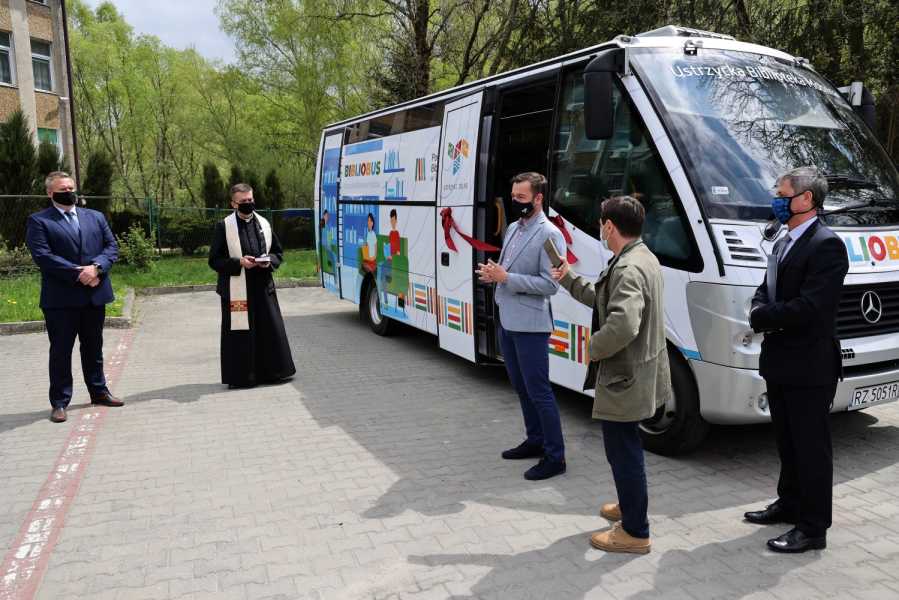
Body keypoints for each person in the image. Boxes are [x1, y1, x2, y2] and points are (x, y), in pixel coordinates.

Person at [551, 195, 671, 555]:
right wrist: (569, 279)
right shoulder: (638, 256)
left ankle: (635, 531)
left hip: (624, 379)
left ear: (609, 226)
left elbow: (622, 323)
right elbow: (604, 300)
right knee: (625, 450)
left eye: (601, 222)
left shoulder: (629, 268)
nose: (599, 228)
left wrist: (593, 347)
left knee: (624, 454)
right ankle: (628, 506)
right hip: (635, 376)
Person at [744, 166, 849, 553]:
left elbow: (812, 307)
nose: (777, 199)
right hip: (781, 360)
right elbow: (765, 288)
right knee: (787, 443)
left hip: (809, 365)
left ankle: (813, 527)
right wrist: (759, 308)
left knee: (811, 448)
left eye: (782, 193)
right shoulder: (785, 239)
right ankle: (789, 503)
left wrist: (763, 316)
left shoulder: (826, 245)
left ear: (806, 199)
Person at [477, 172, 567, 481]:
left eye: (522, 198)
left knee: (539, 391)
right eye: (513, 196)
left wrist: (507, 279)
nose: (515, 202)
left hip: (531, 324)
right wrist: (494, 275)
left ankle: (556, 457)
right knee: (521, 387)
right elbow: (507, 270)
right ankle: (535, 440)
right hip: (508, 319)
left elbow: (551, 285)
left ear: (539, 198)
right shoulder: (514, 228)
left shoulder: (550, 234)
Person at [25, 171, 123, 423]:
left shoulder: (95, 217)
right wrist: (78, 273)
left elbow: (111, 247)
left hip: (94, 294)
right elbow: (43, 256)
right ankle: (59, 402)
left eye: (71, 187)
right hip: (61, 300)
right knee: (61, 352)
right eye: (62, 189)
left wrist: (97, 268)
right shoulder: (39, 221)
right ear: (50, 193)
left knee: (94, 348)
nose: (69, 192)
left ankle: (99, 391)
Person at [208, 183, 296, 388]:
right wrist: (239, 262)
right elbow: (214, 260)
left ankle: (273, 372)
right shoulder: (224, 226)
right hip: (237, 289)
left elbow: (278, 252)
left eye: (251, 200)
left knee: (269, 328)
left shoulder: (264, 223)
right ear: (233, 203)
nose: (248, 204)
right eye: (243, 202)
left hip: (263, 286)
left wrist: (269, 261)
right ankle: (243, 377)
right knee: (241, 333)